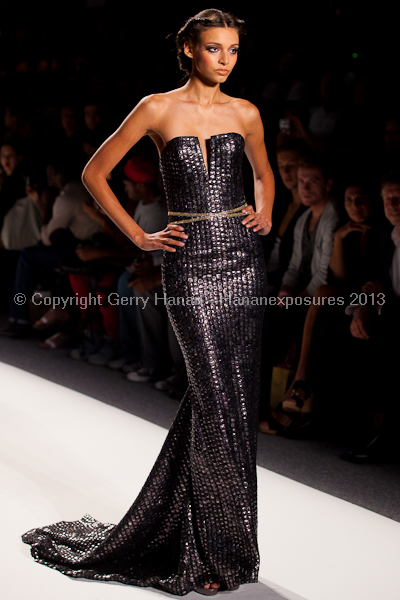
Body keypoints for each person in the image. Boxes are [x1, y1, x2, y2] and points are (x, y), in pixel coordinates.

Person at [21, 9, 274, 597]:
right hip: (188, 262)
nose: (227, 60)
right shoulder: (156, 108)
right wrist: (138, 236)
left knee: (233, 396)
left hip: (241, 259)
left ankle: (224, 546)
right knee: (214, 397)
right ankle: (216, 551)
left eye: (234, 50)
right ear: (188, 50)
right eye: (215, 49)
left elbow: (264, 175)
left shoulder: (247, 113)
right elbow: (95, 172)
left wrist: (263, 211)